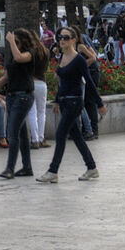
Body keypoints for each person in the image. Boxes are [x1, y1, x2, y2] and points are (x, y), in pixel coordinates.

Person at [38, 30, 98, 183]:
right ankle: (91, 167)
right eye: (60, 37)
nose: (62, 40)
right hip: (65, 102)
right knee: (77, 137)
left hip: (74, 101)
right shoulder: (62, 57)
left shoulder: (79, 60)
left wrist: (100, 104)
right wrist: (57, 100)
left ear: (73, 40)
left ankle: (53, 171)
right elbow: (62, 83)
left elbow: (89, 82)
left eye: (65, 37)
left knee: (60, 134)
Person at [0, 30, 43, 180]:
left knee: (13, 132)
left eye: (17, 41)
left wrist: (11, 41)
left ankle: (10, 168)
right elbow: (7, 75)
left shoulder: (30, 53)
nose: (14, 44)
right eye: (14, 42)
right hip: (12, 95)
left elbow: (19, 57)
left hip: (23, 96)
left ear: (23, 41)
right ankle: (27, 167)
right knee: (22, 133)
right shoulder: (14, 54)